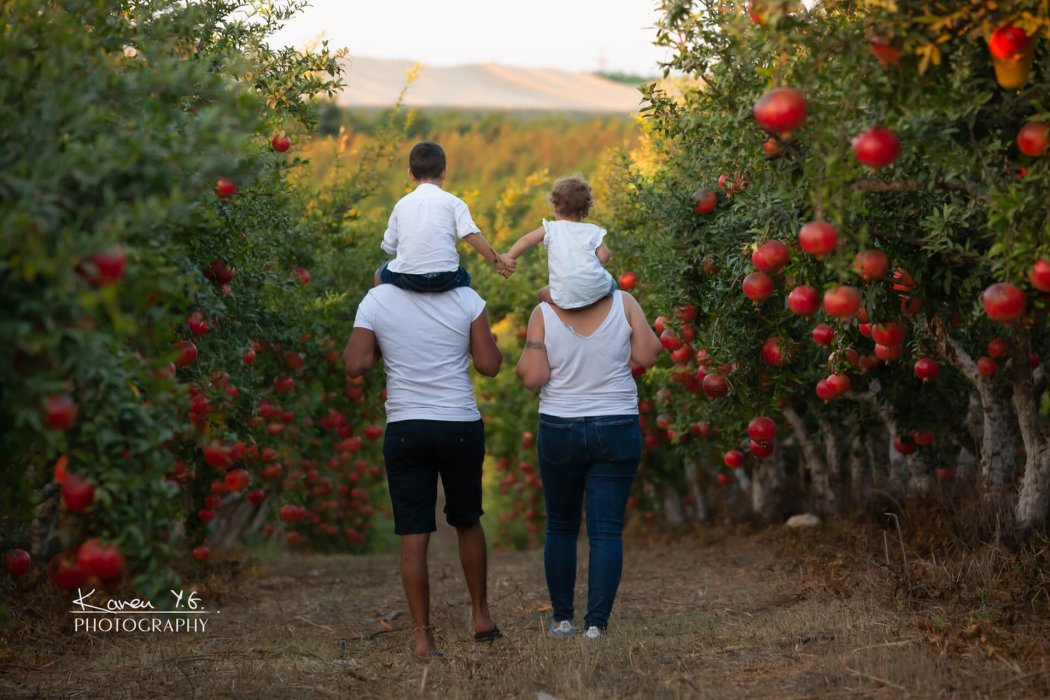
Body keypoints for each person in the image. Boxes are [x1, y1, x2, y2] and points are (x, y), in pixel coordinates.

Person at [343, 281, 504, 658]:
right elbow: (489, 365)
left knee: (414, 533)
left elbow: (355, 365)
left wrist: (386, 342)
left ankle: (422, 639)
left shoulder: (377, 299)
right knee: (467, 520)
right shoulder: (468, 298)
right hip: (459, 425)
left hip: (407, 427)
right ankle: (481, 617)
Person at [516, 286, 662, 641]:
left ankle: (563, 621)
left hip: (559, 425)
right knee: (607, 530)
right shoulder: (624, 303)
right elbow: (649, 355)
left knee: (562, 526)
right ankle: (596, 625)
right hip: (615, 422)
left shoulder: (543, 313)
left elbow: (532, 377)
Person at [377, 141, 514, 291]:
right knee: (466, 278)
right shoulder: (455, 202)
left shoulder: (401, 205)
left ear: (410, 174)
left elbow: (389, 246)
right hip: (446, 279)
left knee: (380, 273)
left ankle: (380, 307)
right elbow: (471, 235)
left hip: (409, 279)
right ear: (444, 172)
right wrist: (498, 261)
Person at [502, 175, 615, 308]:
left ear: (554, 205)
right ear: (585, 210)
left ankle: (554, 318)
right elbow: (604, 256)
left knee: (542, 294)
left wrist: (509, 257)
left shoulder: (550, 228)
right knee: (611, 284)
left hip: (564, 297)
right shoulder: (592, 231)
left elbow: (526, 240)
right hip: (596, 291)